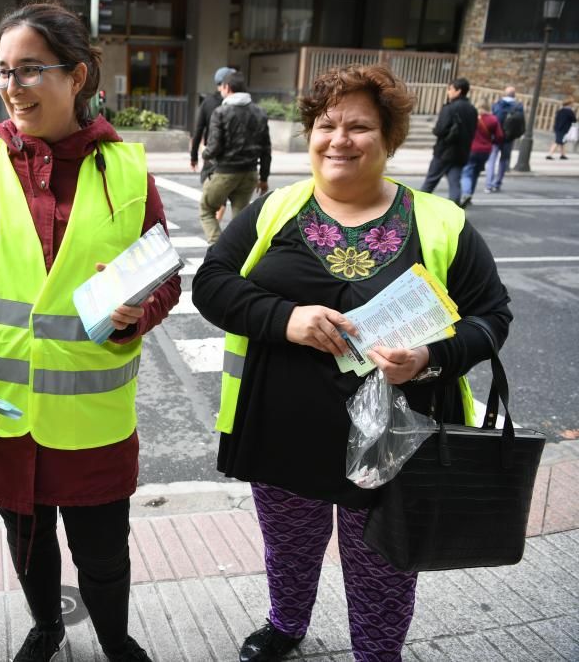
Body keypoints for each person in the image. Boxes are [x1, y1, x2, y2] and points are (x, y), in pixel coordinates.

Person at [192, 64, 511, 662]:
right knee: (288, 547)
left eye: (359, 127)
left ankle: (377, 652)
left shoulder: (439, 223)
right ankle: (286, 624)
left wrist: (429, 358)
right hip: (284, 432)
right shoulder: (275, 209)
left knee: (384, 565)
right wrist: (286, 319)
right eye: (326, 124)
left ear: (388, 140)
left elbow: (492, 317)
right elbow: (211, 284)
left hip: (395, 443)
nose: (338, 139)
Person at [0, 2, 180, 662]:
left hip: (92, 423)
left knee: (104, 554)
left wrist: (139, 312)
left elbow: (165, 277)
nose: (12, 86)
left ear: (77, 76)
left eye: (29, 70)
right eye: (3, 72)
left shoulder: (128, 171)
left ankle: (114, 638)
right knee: (28, 545)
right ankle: (47, 627)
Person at [198, 71, 271, 245]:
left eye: (222, 87)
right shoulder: (260, 112)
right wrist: (264, 178)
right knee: (241, 221)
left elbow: (214, 147)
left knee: (206, 210)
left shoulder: (221, 112)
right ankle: (240, 256)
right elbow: (266, 149)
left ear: (227, 88)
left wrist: (204, 152)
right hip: (250, 173)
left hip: (225, 172)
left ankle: (217, 248)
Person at [420, 77, 477, 204]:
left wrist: (434, 129)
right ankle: (455, 209)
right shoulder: (472, 110)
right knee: (454, 183)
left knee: (430, 181)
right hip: (462, 152)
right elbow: (473, 131)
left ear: (458, 91)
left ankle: (415, 207)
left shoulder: (450, 108)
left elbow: (440, 130)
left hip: (444, 151)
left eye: (450, 89)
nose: (448, 92)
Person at [191, 66, 235, 180]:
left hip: (212, 155)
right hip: (234, 158)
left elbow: (199, 130)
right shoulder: (240, 103)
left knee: (210, 195)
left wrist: (194, 156)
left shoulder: (208, 102)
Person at [459, 102, 503, 207]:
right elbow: (500, 136)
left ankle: (466, 193)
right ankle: (470, 195)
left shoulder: (473, 118)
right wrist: (492, 142)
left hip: (471, 148)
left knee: (466, 172)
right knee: (475, 173)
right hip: (486, 151)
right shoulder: (493, 119)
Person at [485, 85, 525, 192]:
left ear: (504, 93)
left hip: (495, 136)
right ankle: (497, 183)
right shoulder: (518, 106)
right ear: (514, 94)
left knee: (492, 159)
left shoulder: (497, 105)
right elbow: (521, 123)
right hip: (509, 137)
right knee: (503, 161)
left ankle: (489, 183)